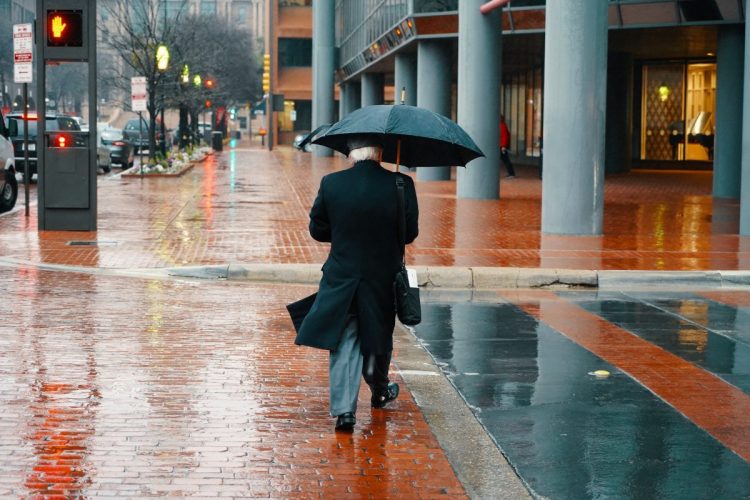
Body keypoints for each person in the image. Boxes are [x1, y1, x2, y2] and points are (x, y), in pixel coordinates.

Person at [294, 136, 419, 432]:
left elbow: (317, 229)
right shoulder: (401, 184)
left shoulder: (332, 183)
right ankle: (379, 390)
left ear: (352, 153)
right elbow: (410, 234)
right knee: (377, 339)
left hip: (342, 275)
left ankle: (345, 412)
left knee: (344, 340)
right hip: (381, 276)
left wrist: (343, 231)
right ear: (380, 154)